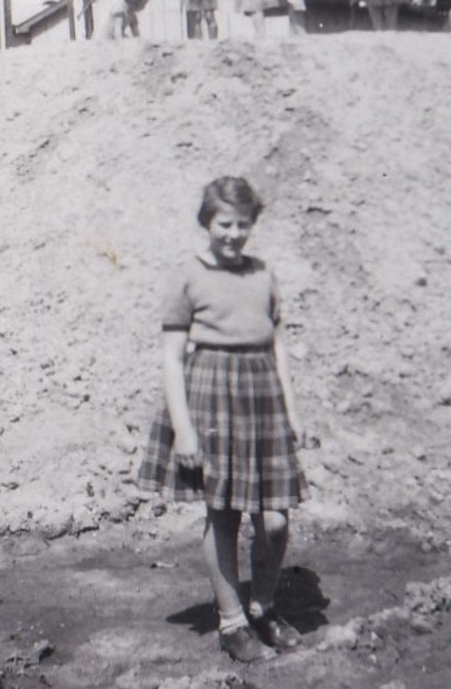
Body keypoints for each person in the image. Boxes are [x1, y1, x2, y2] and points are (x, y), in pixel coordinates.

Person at [138, 176, 308, 664]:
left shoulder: (263, 274)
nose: (233, 234)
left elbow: (277, 344)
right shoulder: (189, 276)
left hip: (262, 400)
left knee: (274, 520)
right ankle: (232, 622)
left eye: (242, 224)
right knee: (225, 515)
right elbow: (172, 358)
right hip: (212, 397)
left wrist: (292, 412)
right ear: (207, 223)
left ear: (253, 224)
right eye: (223, 224)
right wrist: (185, 429)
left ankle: (264, 605)